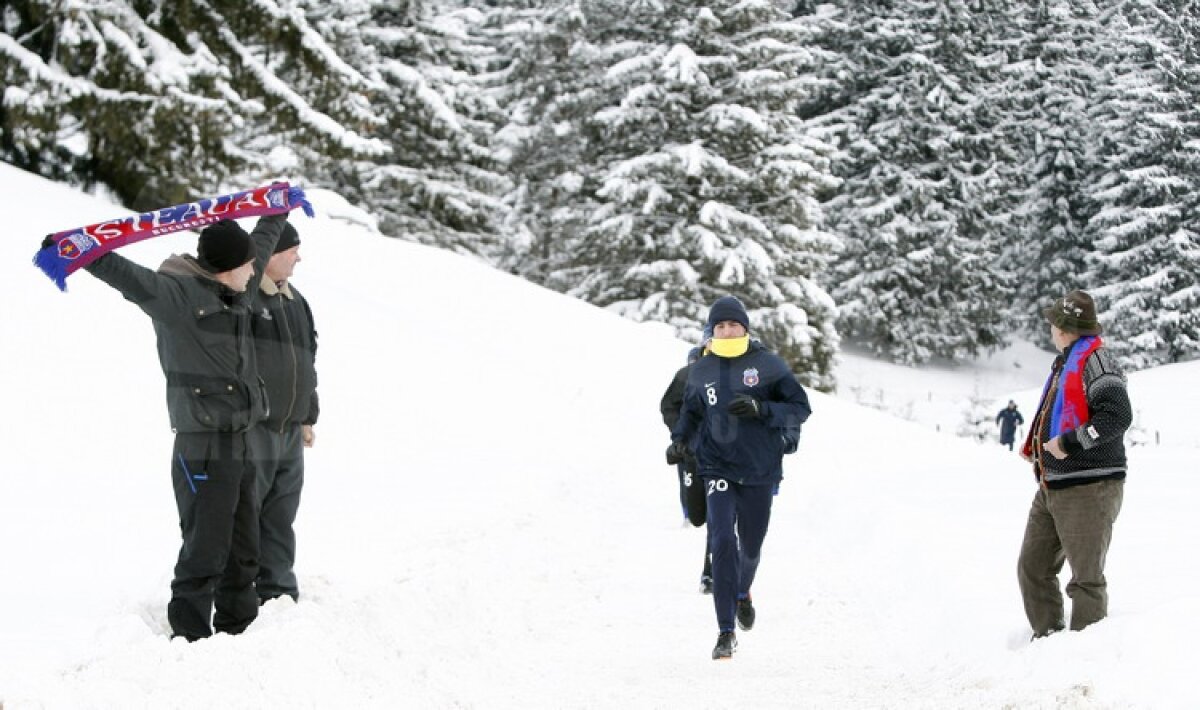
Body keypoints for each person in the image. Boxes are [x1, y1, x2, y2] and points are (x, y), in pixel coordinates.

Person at [79, 214, 292, 641]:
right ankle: (190, 638)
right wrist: (82, 251)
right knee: (205, 548)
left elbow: (262, 244)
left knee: (244, 547)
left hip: (237, 442)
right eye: (248, 265)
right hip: (203, 446)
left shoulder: (238, 290)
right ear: (229, 266)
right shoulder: (176, 297)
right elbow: (127, 276)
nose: (255, 271)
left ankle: (239, 629)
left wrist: (277, 210)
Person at [668, 296, 812, 660]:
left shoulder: (768, 364)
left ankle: (743, 592)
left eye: (732, 325)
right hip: (716, 467)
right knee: (720, 541)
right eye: (719, 326)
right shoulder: (701, 369)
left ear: (745, 328)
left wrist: (761, 409)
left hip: (759, 469)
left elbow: (800, 407)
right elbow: (689, 411)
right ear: (711, 332)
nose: (726, 330)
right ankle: (725, 631)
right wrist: (679, 441)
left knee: (750, 546)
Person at [1017, 289, 1131, 639]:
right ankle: (1048, 643)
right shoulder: (1067, 361)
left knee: (1086, 580)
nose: (1050, 327)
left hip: (1089, 487)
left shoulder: (1098, 362)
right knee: (1033, 567)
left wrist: (1069, 442)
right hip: (1053, 485)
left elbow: (1117, 415)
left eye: (1054, 322)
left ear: (1065, 328)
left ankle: (1084, 662)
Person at [249, 222, 319, 604]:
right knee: (246, 515)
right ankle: (237, 593)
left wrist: (308, 414)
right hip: (255, 429)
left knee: (280, 515)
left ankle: (277, 592)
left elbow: (309, 360)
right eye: (293, 250)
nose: (298, 257)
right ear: (272, 253)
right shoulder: (245, 299)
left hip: (290, 429)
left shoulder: (297, 301)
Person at [661, 328, 712, 594]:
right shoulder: (686, 375)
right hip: (691, 453)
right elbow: (668, 405)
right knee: (698, 515)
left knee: (721, 517)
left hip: (725, 460)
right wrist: (681, 432)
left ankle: (711, 573)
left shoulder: (739, 373)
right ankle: (687, 511)